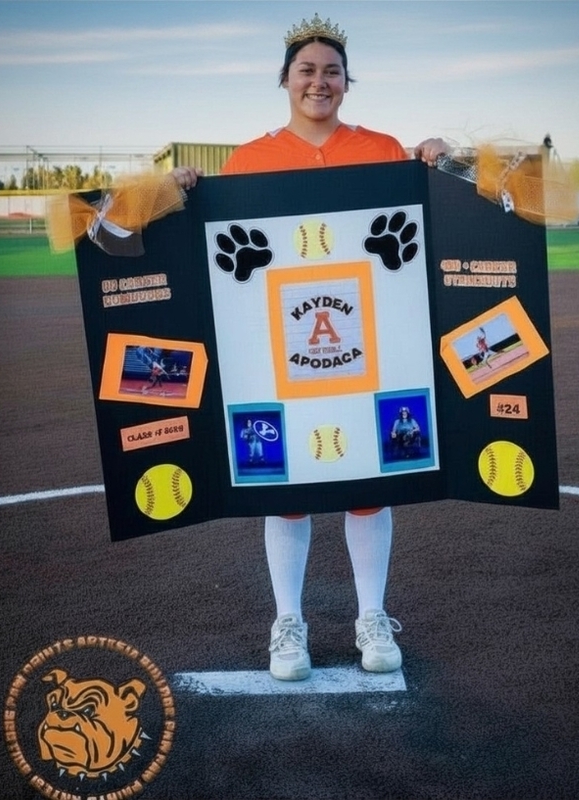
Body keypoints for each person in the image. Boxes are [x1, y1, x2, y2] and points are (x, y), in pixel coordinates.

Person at [171, 13, 451, 681]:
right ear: (284, 80)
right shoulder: (247, 160)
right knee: (286, 489)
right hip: (278, 344)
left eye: (331, 71)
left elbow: (444, 218)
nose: (318, 81)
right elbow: (204, 252)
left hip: (372, 342)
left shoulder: (385, 150)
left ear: (347, 82)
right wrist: (179, 194)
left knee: (367, 487)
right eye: (306, 70)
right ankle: (286, 623)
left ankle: (371, 617)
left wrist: (443, 163)